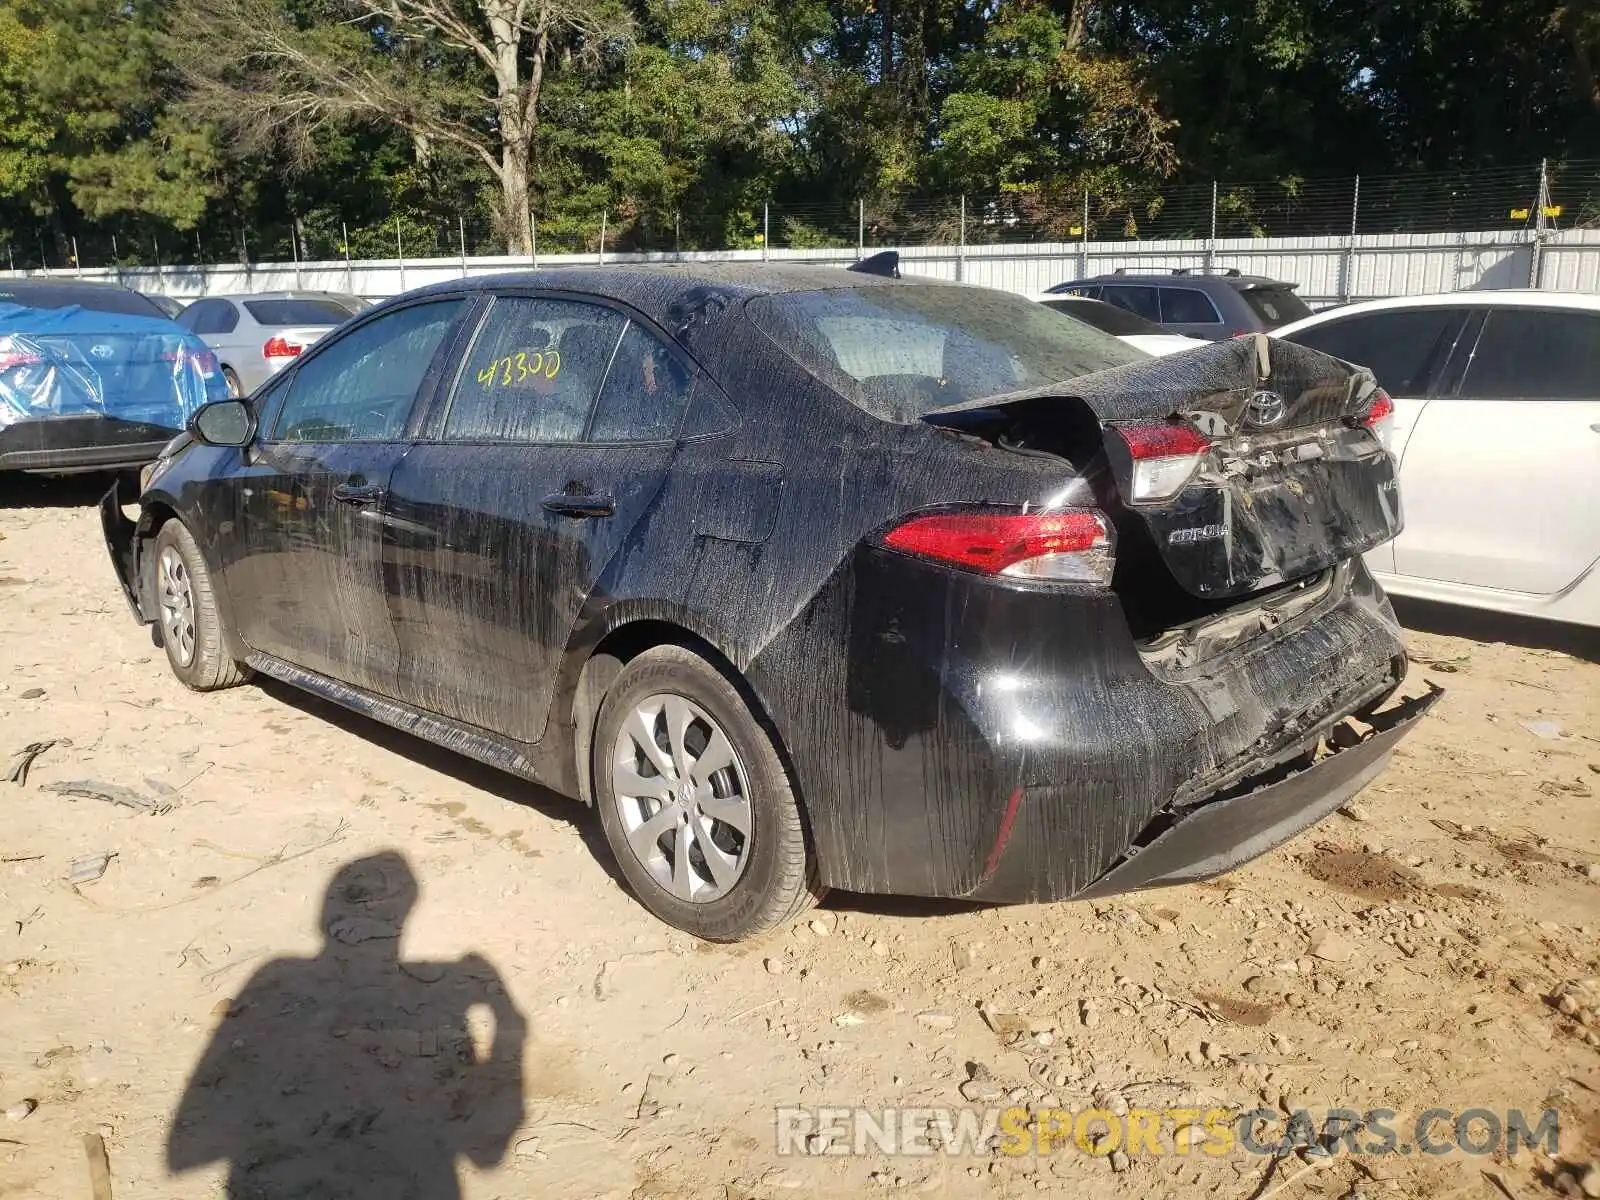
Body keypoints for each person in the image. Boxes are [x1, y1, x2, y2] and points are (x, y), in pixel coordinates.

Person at [168, 852, 526, 1199]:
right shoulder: (282, 974)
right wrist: (509, 1026)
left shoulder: (279, 972)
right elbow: (488, 1156)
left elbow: (188, 1145)